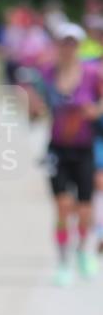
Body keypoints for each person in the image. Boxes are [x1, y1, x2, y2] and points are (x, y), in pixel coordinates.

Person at [33, 23, 103, 285]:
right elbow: (37, 104)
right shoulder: (48, 73)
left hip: (84, 147)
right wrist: (35, 108)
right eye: (65, 42)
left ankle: (83, 250)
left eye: (73, 43)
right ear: (58, 45)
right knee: (61, 206)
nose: (69, 48)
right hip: (57, 148)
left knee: (84, 210)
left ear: (80, 46)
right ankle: (63, 261)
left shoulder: (92, 73)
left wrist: (95, 111)